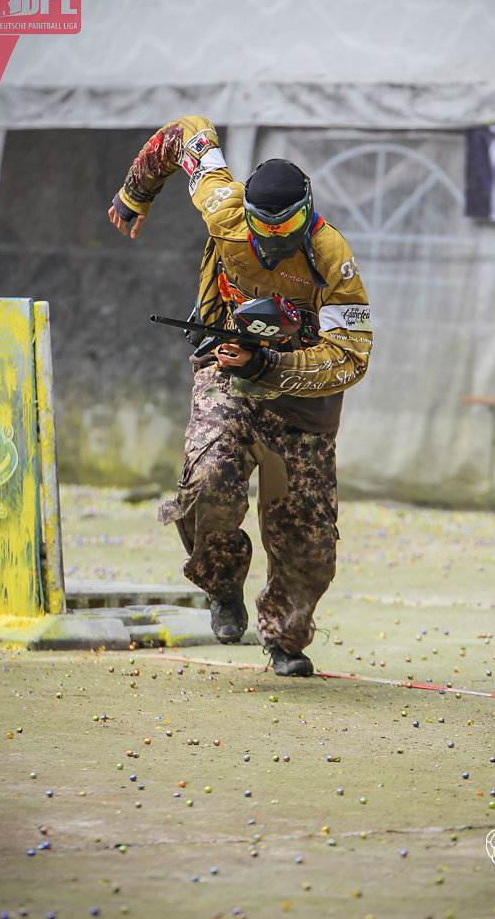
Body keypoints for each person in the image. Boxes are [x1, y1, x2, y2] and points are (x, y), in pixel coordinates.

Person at [108, 116, 372, 677]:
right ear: (245, 217)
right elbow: (185, 133)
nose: (274, 244)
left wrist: (273, 361)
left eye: (288, 230)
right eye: (262, 231)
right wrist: (136, 190)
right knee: (207, 483)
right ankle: (221, 583)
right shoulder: (222, 205)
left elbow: (351, 357)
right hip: (227, 373)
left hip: (301, 404)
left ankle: (282, 636)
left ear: (308, 214)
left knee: (308, 546)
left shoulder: (333, 257)